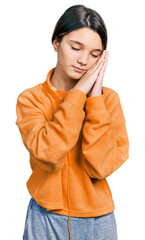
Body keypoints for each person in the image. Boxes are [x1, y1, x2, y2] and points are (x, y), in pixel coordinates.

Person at [15, 4, 129, 240]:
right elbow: (48, 154)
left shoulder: (108, 100)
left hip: (99, 221)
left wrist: (94, 99)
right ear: (56, 43)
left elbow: (100, 166)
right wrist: (78, 95)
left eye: (95, 54)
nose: (84, 60)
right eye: (75, 47)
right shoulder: (31, 100)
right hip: (44, 217)